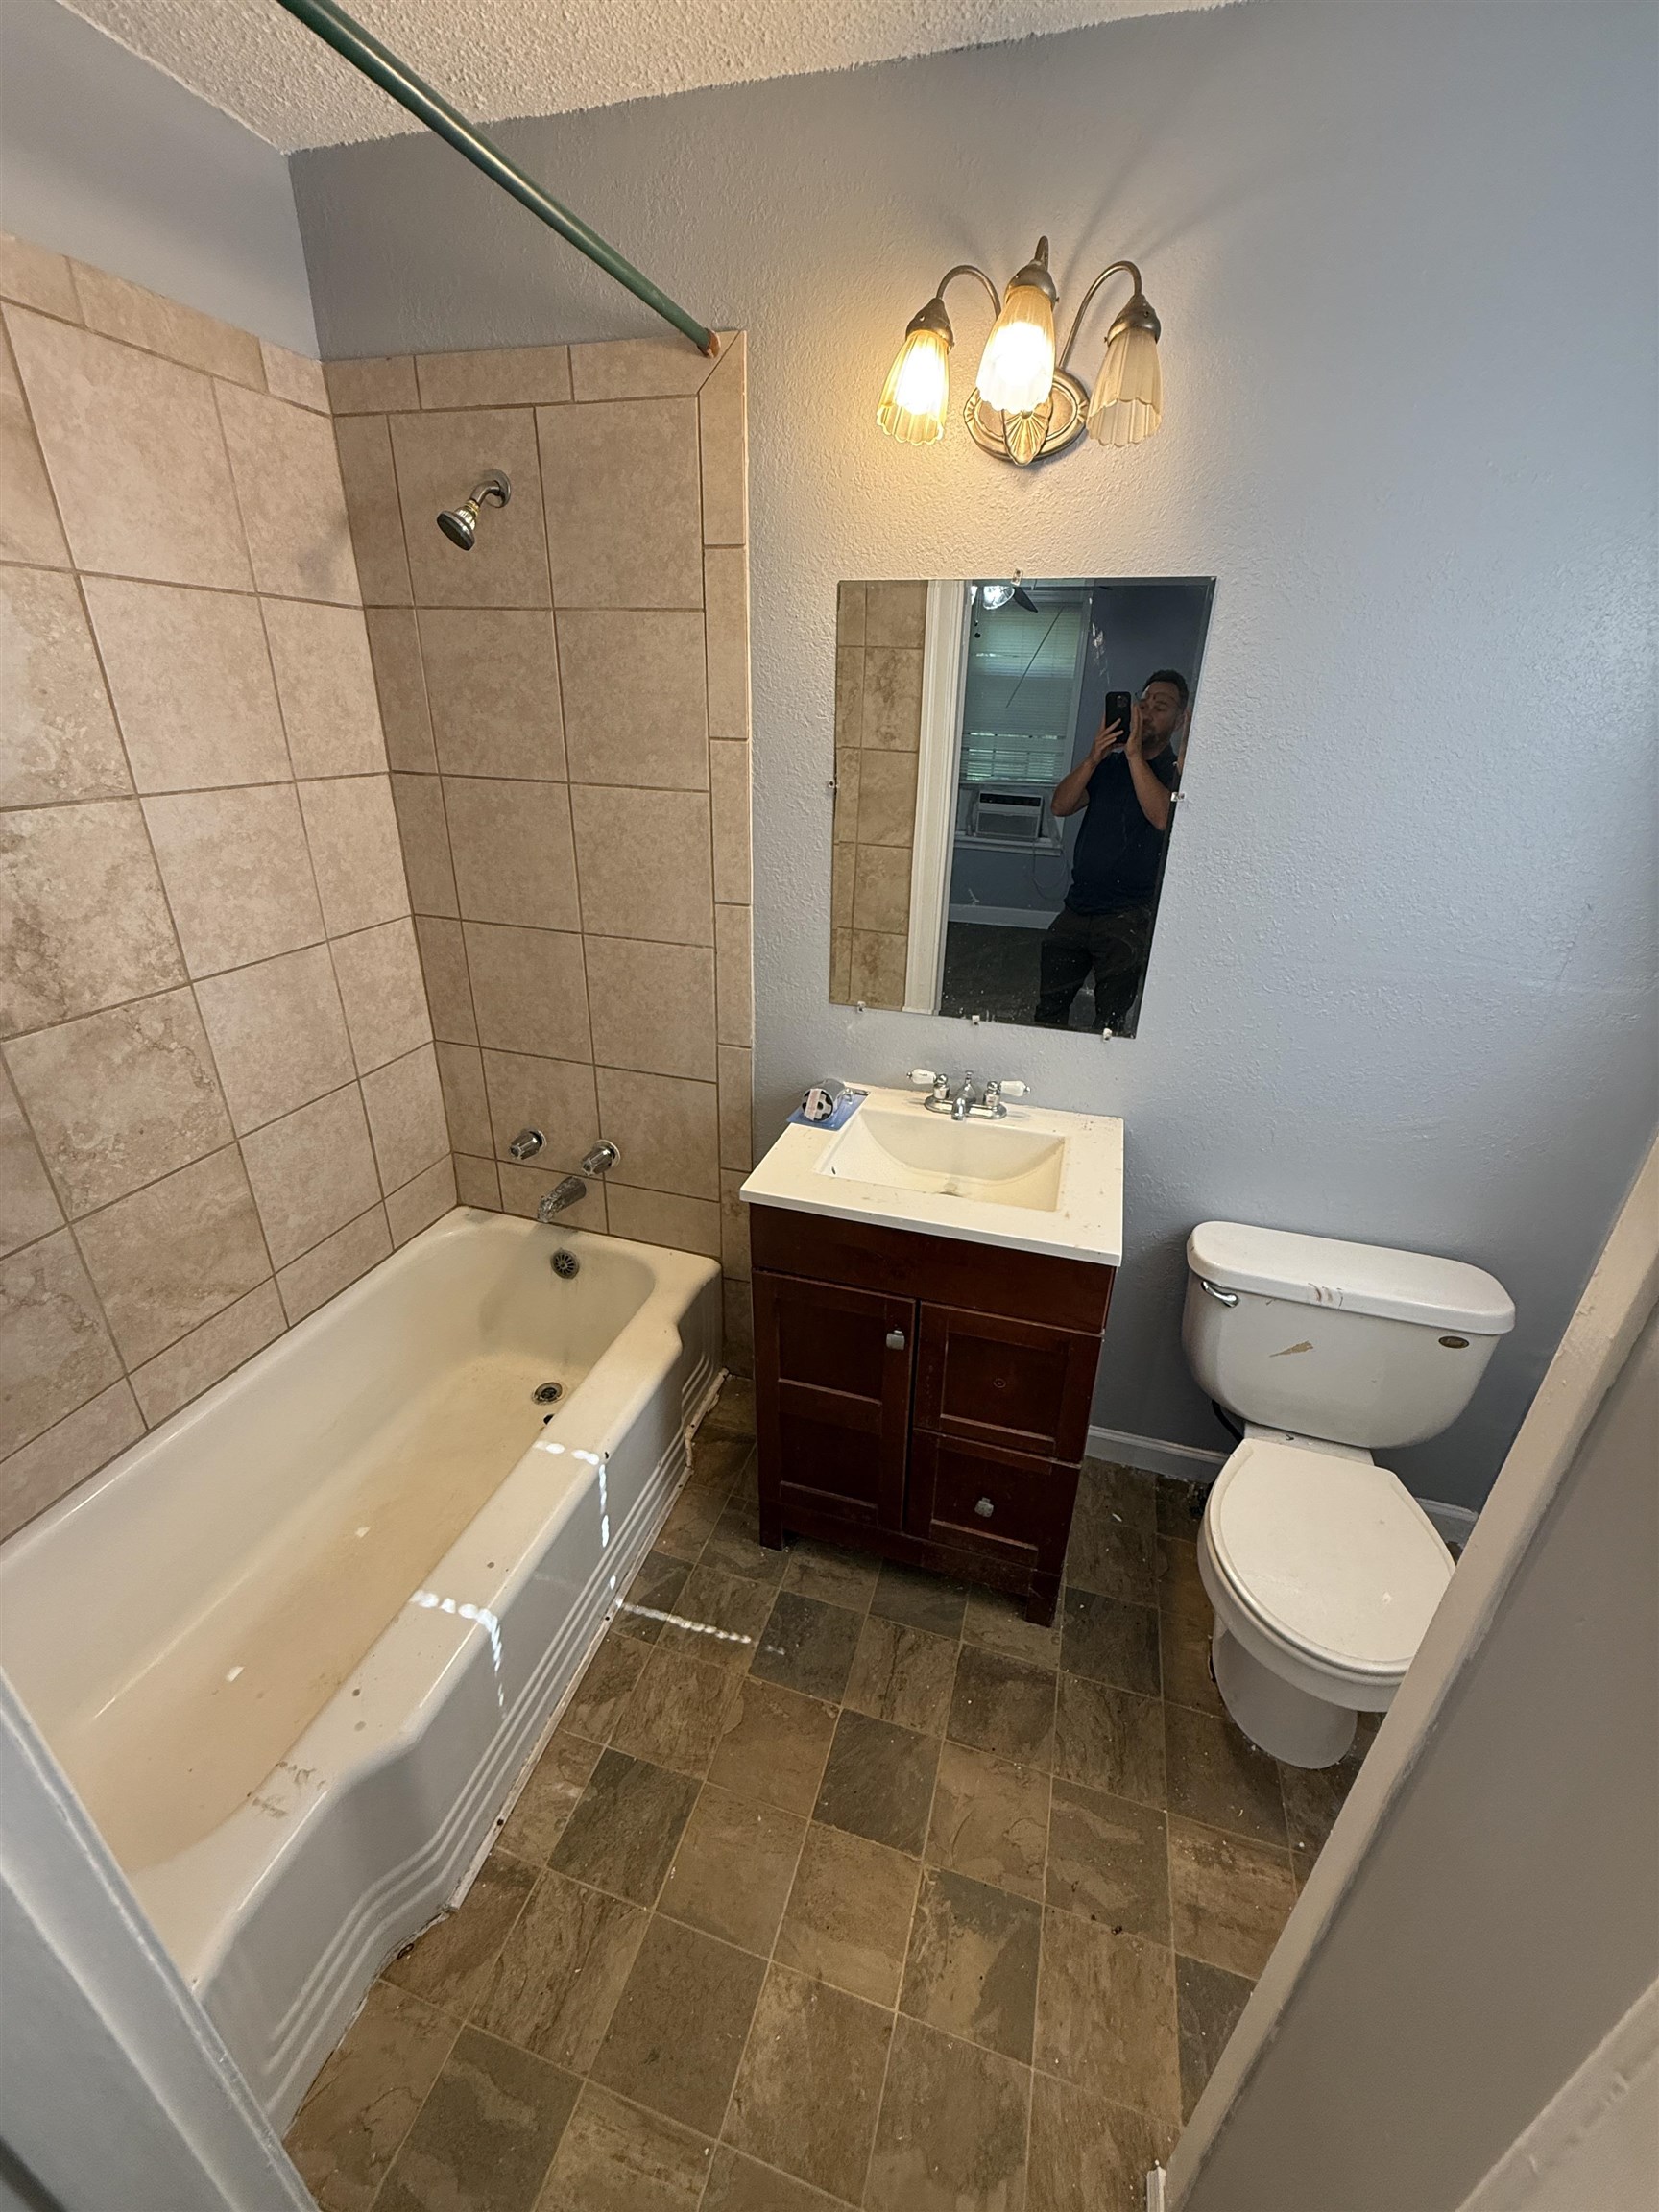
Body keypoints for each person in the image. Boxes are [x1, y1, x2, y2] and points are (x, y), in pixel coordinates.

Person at [1033, 669, 1190, 1030]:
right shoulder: (1109, 766)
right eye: (1143, 703)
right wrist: (1093, 757)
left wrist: (1134, 756)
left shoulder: (1176, 772)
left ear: (1180, 721)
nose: (1147, 711)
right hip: (1078, 907)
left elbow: (1162, 818)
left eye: (1160, 706)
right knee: (1048, 1012)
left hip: (1128, 917)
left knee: (1110, 1024)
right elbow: (1060, 806)